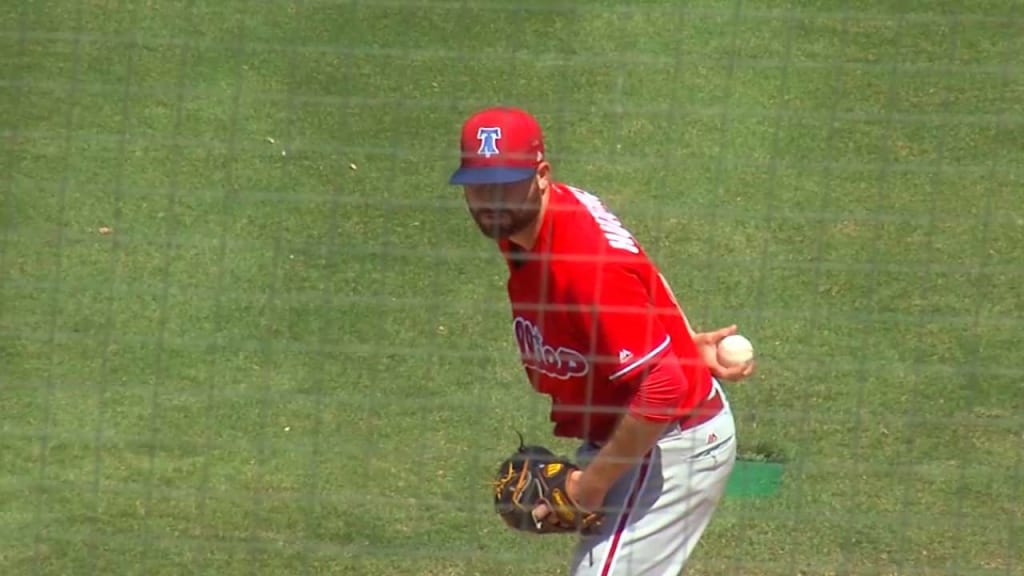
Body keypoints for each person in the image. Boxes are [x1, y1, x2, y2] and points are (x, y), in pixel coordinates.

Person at [448, 105, 756, 575]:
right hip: (634, 432)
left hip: (666, 445)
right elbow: (639, 264)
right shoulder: (527, 224)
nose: (491, 200)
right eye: (479, 186)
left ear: (542, 175)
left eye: (506, 183)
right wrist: (681, 336)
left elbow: (665, 386)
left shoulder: (580, 262)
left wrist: (589, 486)